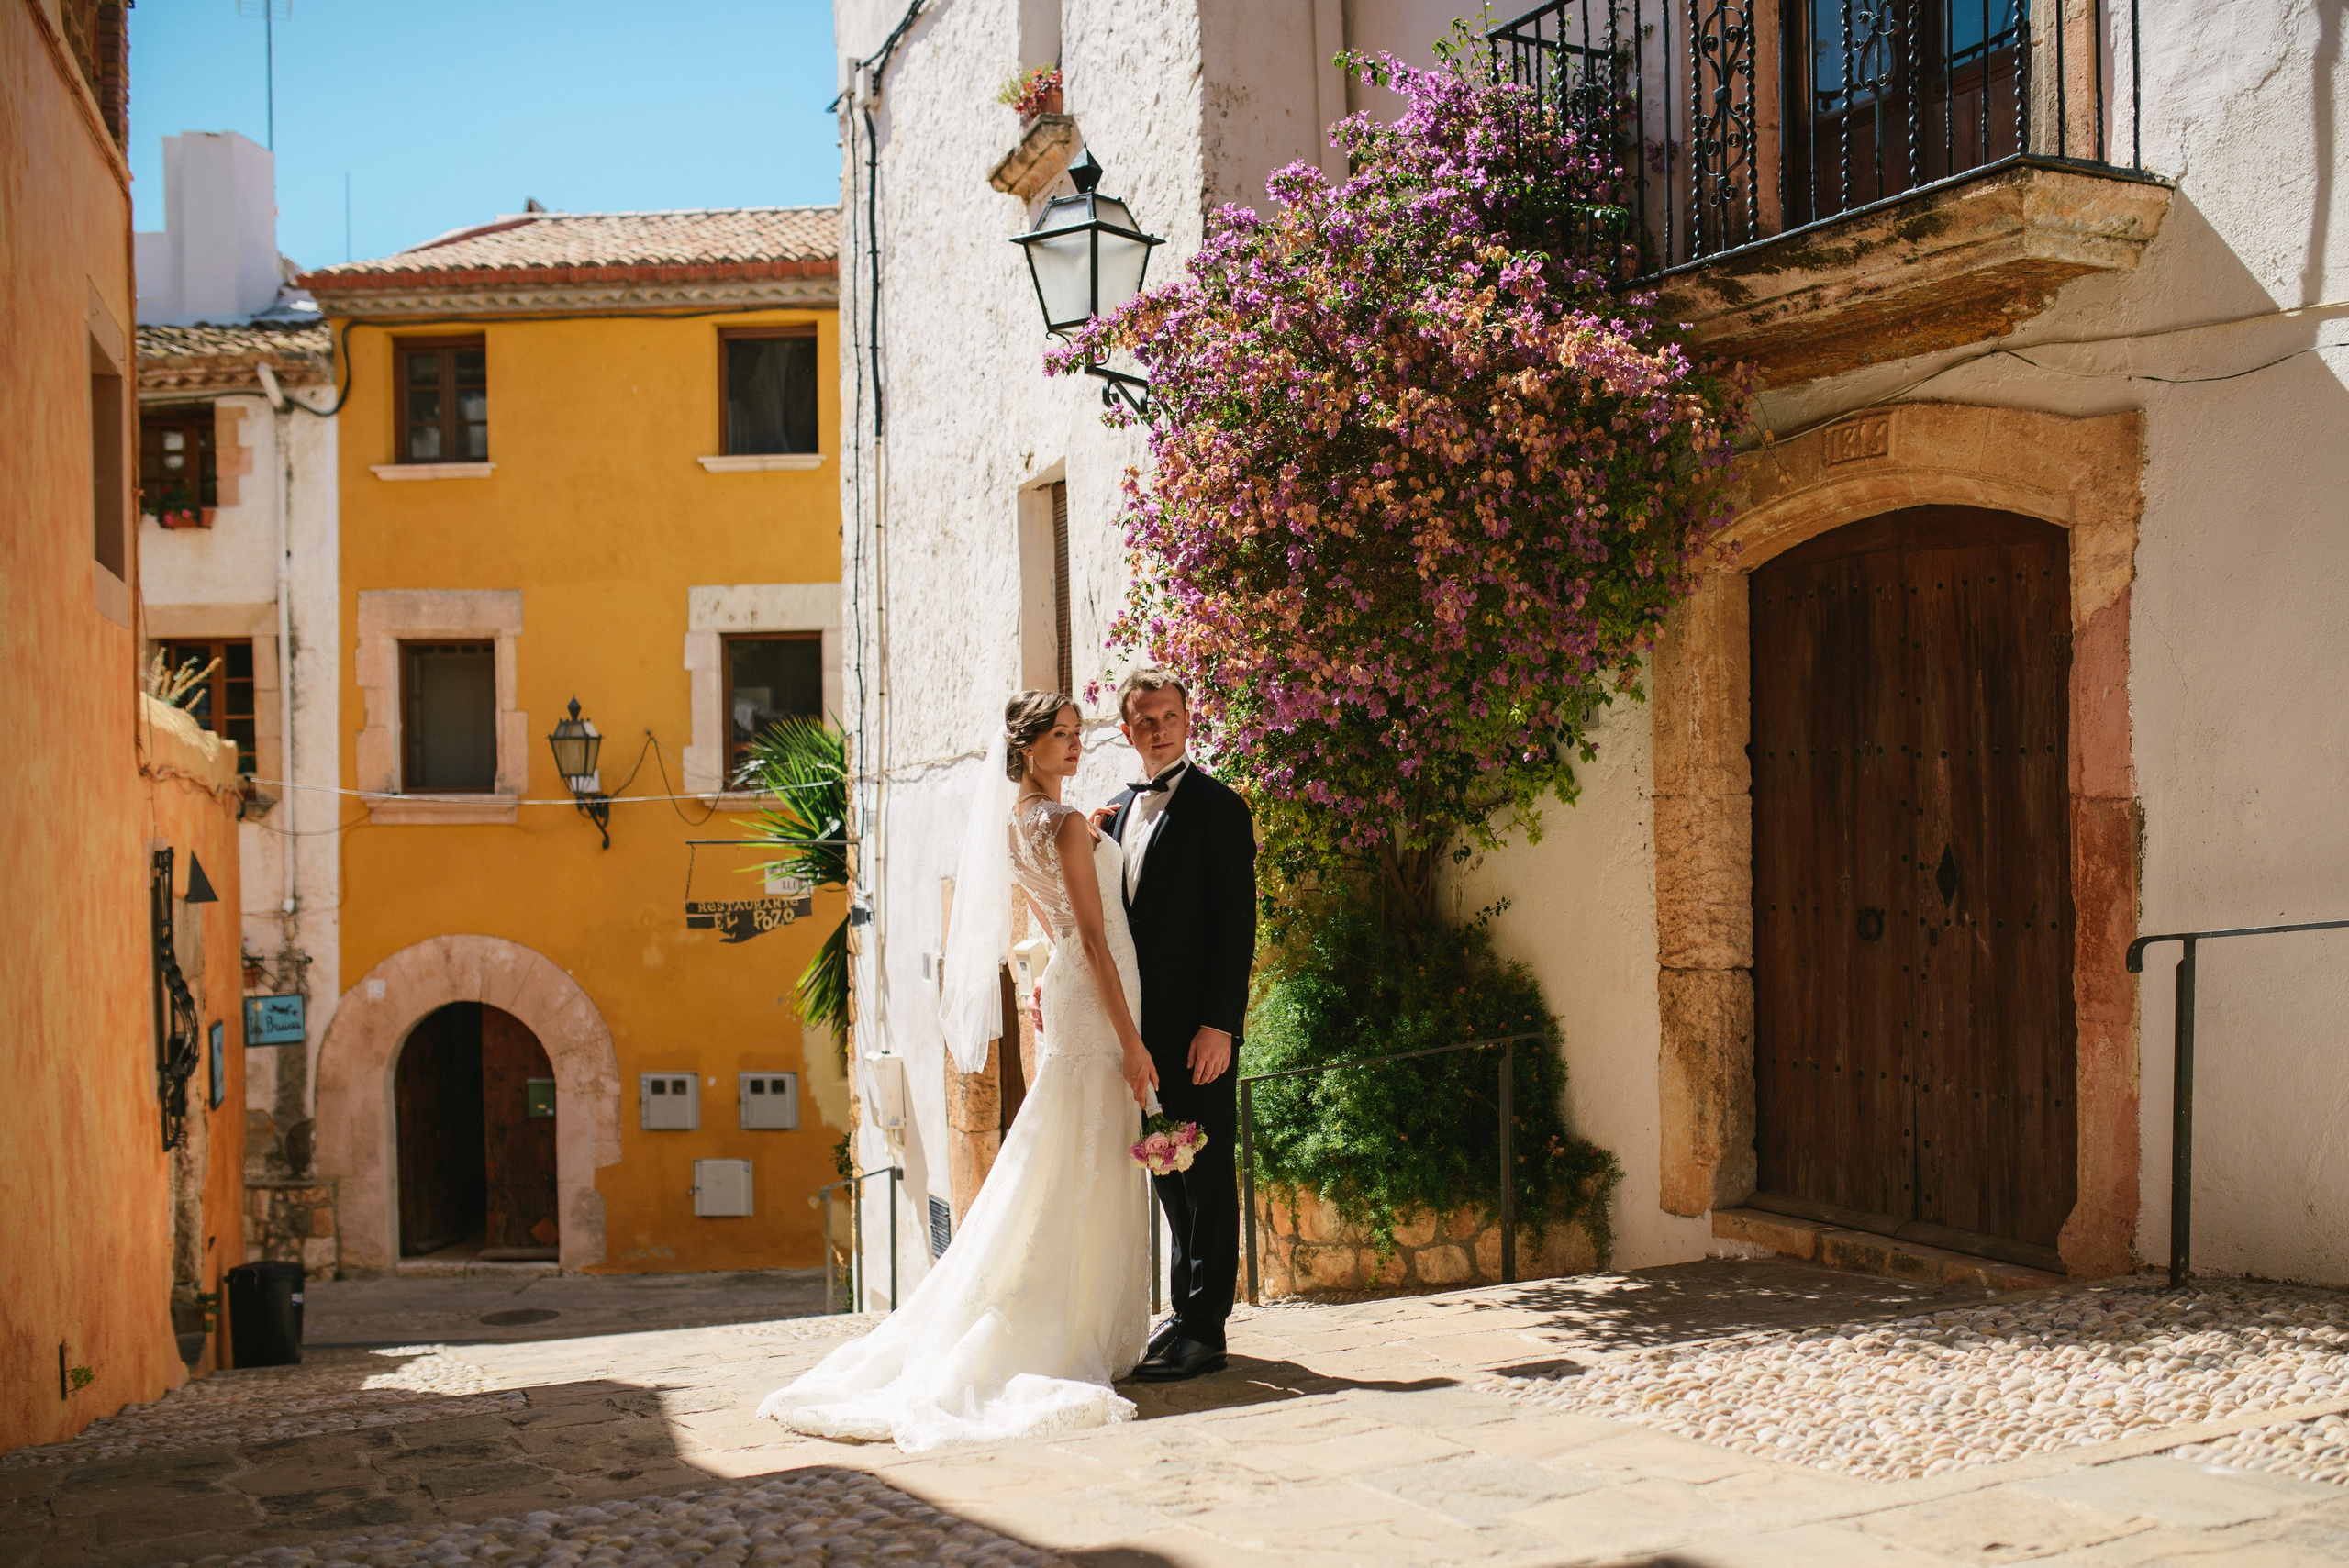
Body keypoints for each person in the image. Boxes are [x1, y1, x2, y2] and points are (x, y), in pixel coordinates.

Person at [756, 692, 1156, 1450]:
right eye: (1060, 736)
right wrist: (1133, 1042)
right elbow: (1096, 940)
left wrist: (1090, 845)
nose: (1075, 745)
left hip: (1072, 985)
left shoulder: (1021, 824)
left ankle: (1071, 1312)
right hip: (1101, 994)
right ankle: (1075, 1325)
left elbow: (1055, 921)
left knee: (1070, 1148)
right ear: (1027, 747)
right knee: (1086, 1151)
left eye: (1077, 733)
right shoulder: (1065, 823)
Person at [1098, 667, 1258, 1382]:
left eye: (1169, 714)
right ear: (1128, 731)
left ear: (1188, 719)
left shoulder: (1219, 809)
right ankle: (1184, 1311)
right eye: (1144, 719)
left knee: (1208, 1176)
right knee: (1167, 1168)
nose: (1158, 727)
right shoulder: (1113, 812)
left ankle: (1208, 1327)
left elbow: (1236, 927)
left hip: (1197, 1034)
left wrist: (1220, 1024)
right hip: (1139, 1034)